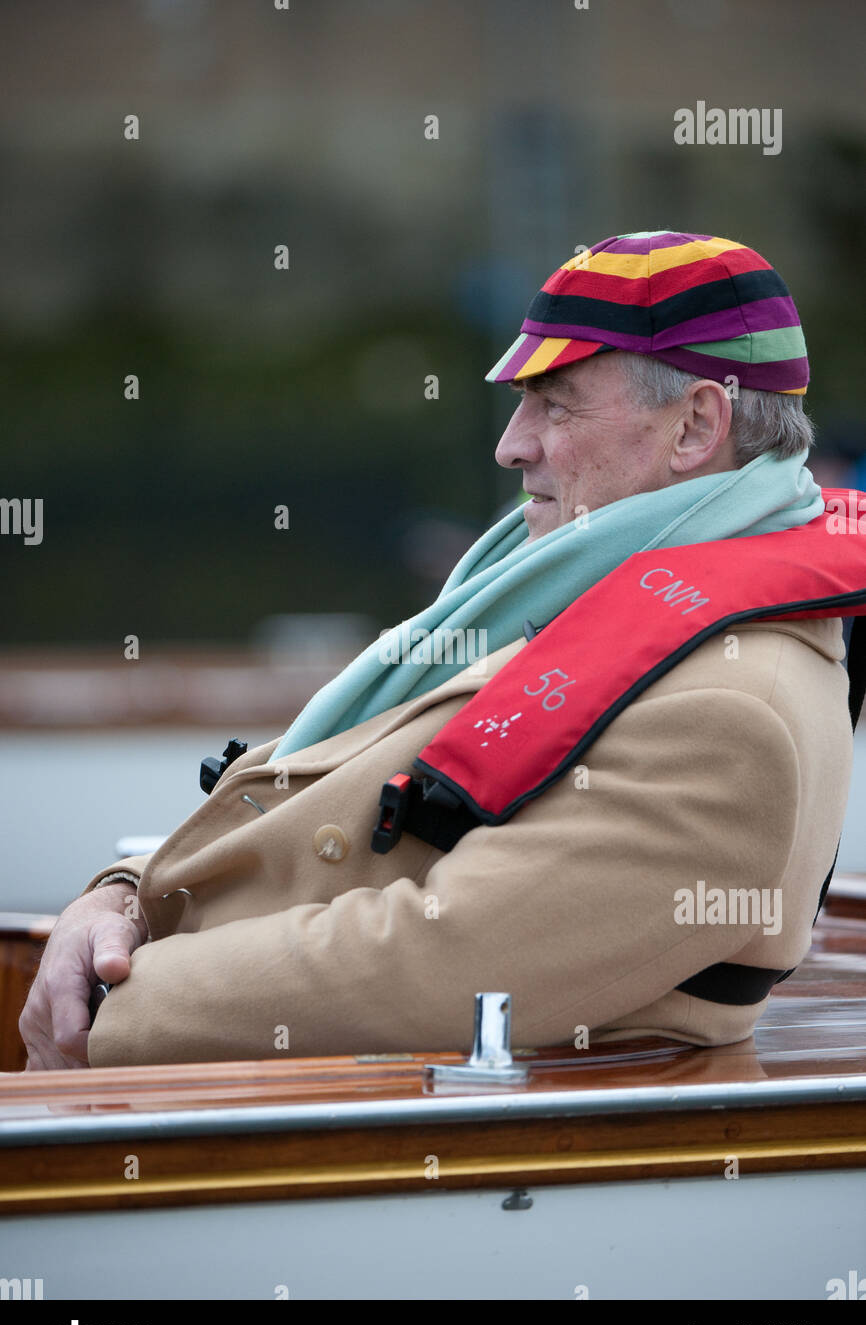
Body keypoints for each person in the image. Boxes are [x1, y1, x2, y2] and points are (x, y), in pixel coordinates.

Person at [21, 230, 854, 1069]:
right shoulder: (604, 606)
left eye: (555, 404)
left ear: (696, 426)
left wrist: (114, 1003)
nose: (512, 444)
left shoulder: (730, 708)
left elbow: (438, 961)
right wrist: (119, 900)